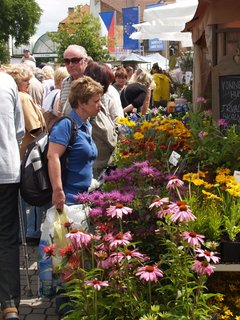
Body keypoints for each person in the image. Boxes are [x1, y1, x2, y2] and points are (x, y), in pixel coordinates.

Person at [47, 76, 103, 211]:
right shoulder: (66, 125)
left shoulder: (86, 125)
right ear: (82, 103)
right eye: (96, 101)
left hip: (85, 199)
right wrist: (58, 191)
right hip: (69, 201)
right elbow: (52, 156)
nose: (100, 105)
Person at [0, 71, 25, 320]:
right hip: (6, 169)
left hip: (7, 171)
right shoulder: (7, 82)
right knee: (6, 238)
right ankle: (8, 304)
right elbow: (20, 130)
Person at [84, 62, 119, 178]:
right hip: (93, 169)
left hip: (102, 166)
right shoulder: (85, 104)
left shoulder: (99, 101)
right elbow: (105, 133)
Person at [60, 45, 88, 115]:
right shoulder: (65, 82)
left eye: (75, 61)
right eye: (67, 61)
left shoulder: (93, 82)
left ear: (85, 61)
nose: (70, 65)